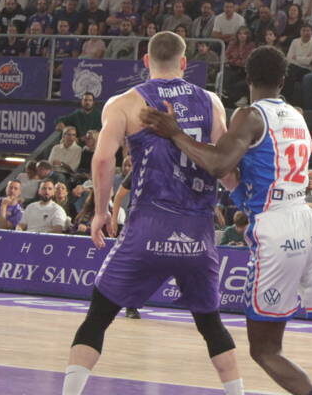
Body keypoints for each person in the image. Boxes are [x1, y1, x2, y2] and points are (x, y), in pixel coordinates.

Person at [138, 44, 312, 395]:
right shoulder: (296, 116)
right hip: (308, 221)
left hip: (276, 228)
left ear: (247, 78)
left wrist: (175, 132)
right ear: (283, 79)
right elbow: (244, 173)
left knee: (265, 349)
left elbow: (219, 164)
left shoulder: (249, 116)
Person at [61, 32, 243, 395]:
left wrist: (100, 212)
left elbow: (101, 159)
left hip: (148, 228)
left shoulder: (125, 102)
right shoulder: (211, 102)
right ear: (184, 63)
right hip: (197, 234)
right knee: (210, 324)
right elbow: (226, 169)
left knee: (98, 316)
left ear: (145, 61)